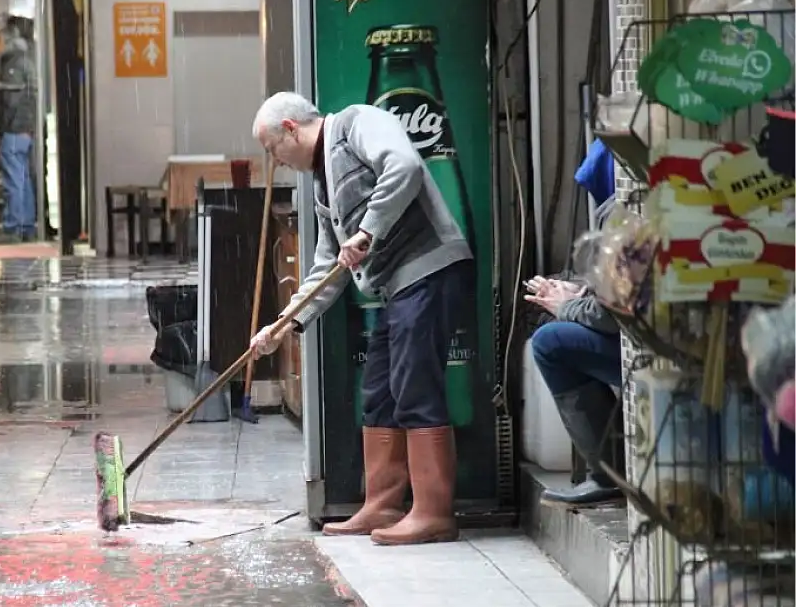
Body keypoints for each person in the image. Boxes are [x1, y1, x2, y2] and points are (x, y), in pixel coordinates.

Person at [249, 92, 473, 546]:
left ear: (291, 128)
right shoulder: (320, 182)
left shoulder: (358, 123)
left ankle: (433, 512)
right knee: (379, 390)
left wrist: (369, 229)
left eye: (273, 149)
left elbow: (404, 167)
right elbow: (328, 262)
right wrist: (286, 323)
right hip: (399, 288)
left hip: (430, 268)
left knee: (415, 387)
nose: (277, 161)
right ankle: (384, 505)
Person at [526, 198, 624, 506]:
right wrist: (581, 293)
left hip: (661, 346)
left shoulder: (626, 208)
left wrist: (567, 306)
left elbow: (614, 315)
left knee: (551, 342)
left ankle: (609, 475)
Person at [0, 16, 38, 243]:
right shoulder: (26, 60)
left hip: (14, 128)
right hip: (26, 128)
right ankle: (26, 225)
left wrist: (3, 125)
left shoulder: (11, 65)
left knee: (13, 180)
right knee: (24, 178)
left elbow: (10, 100)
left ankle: (13, 227)